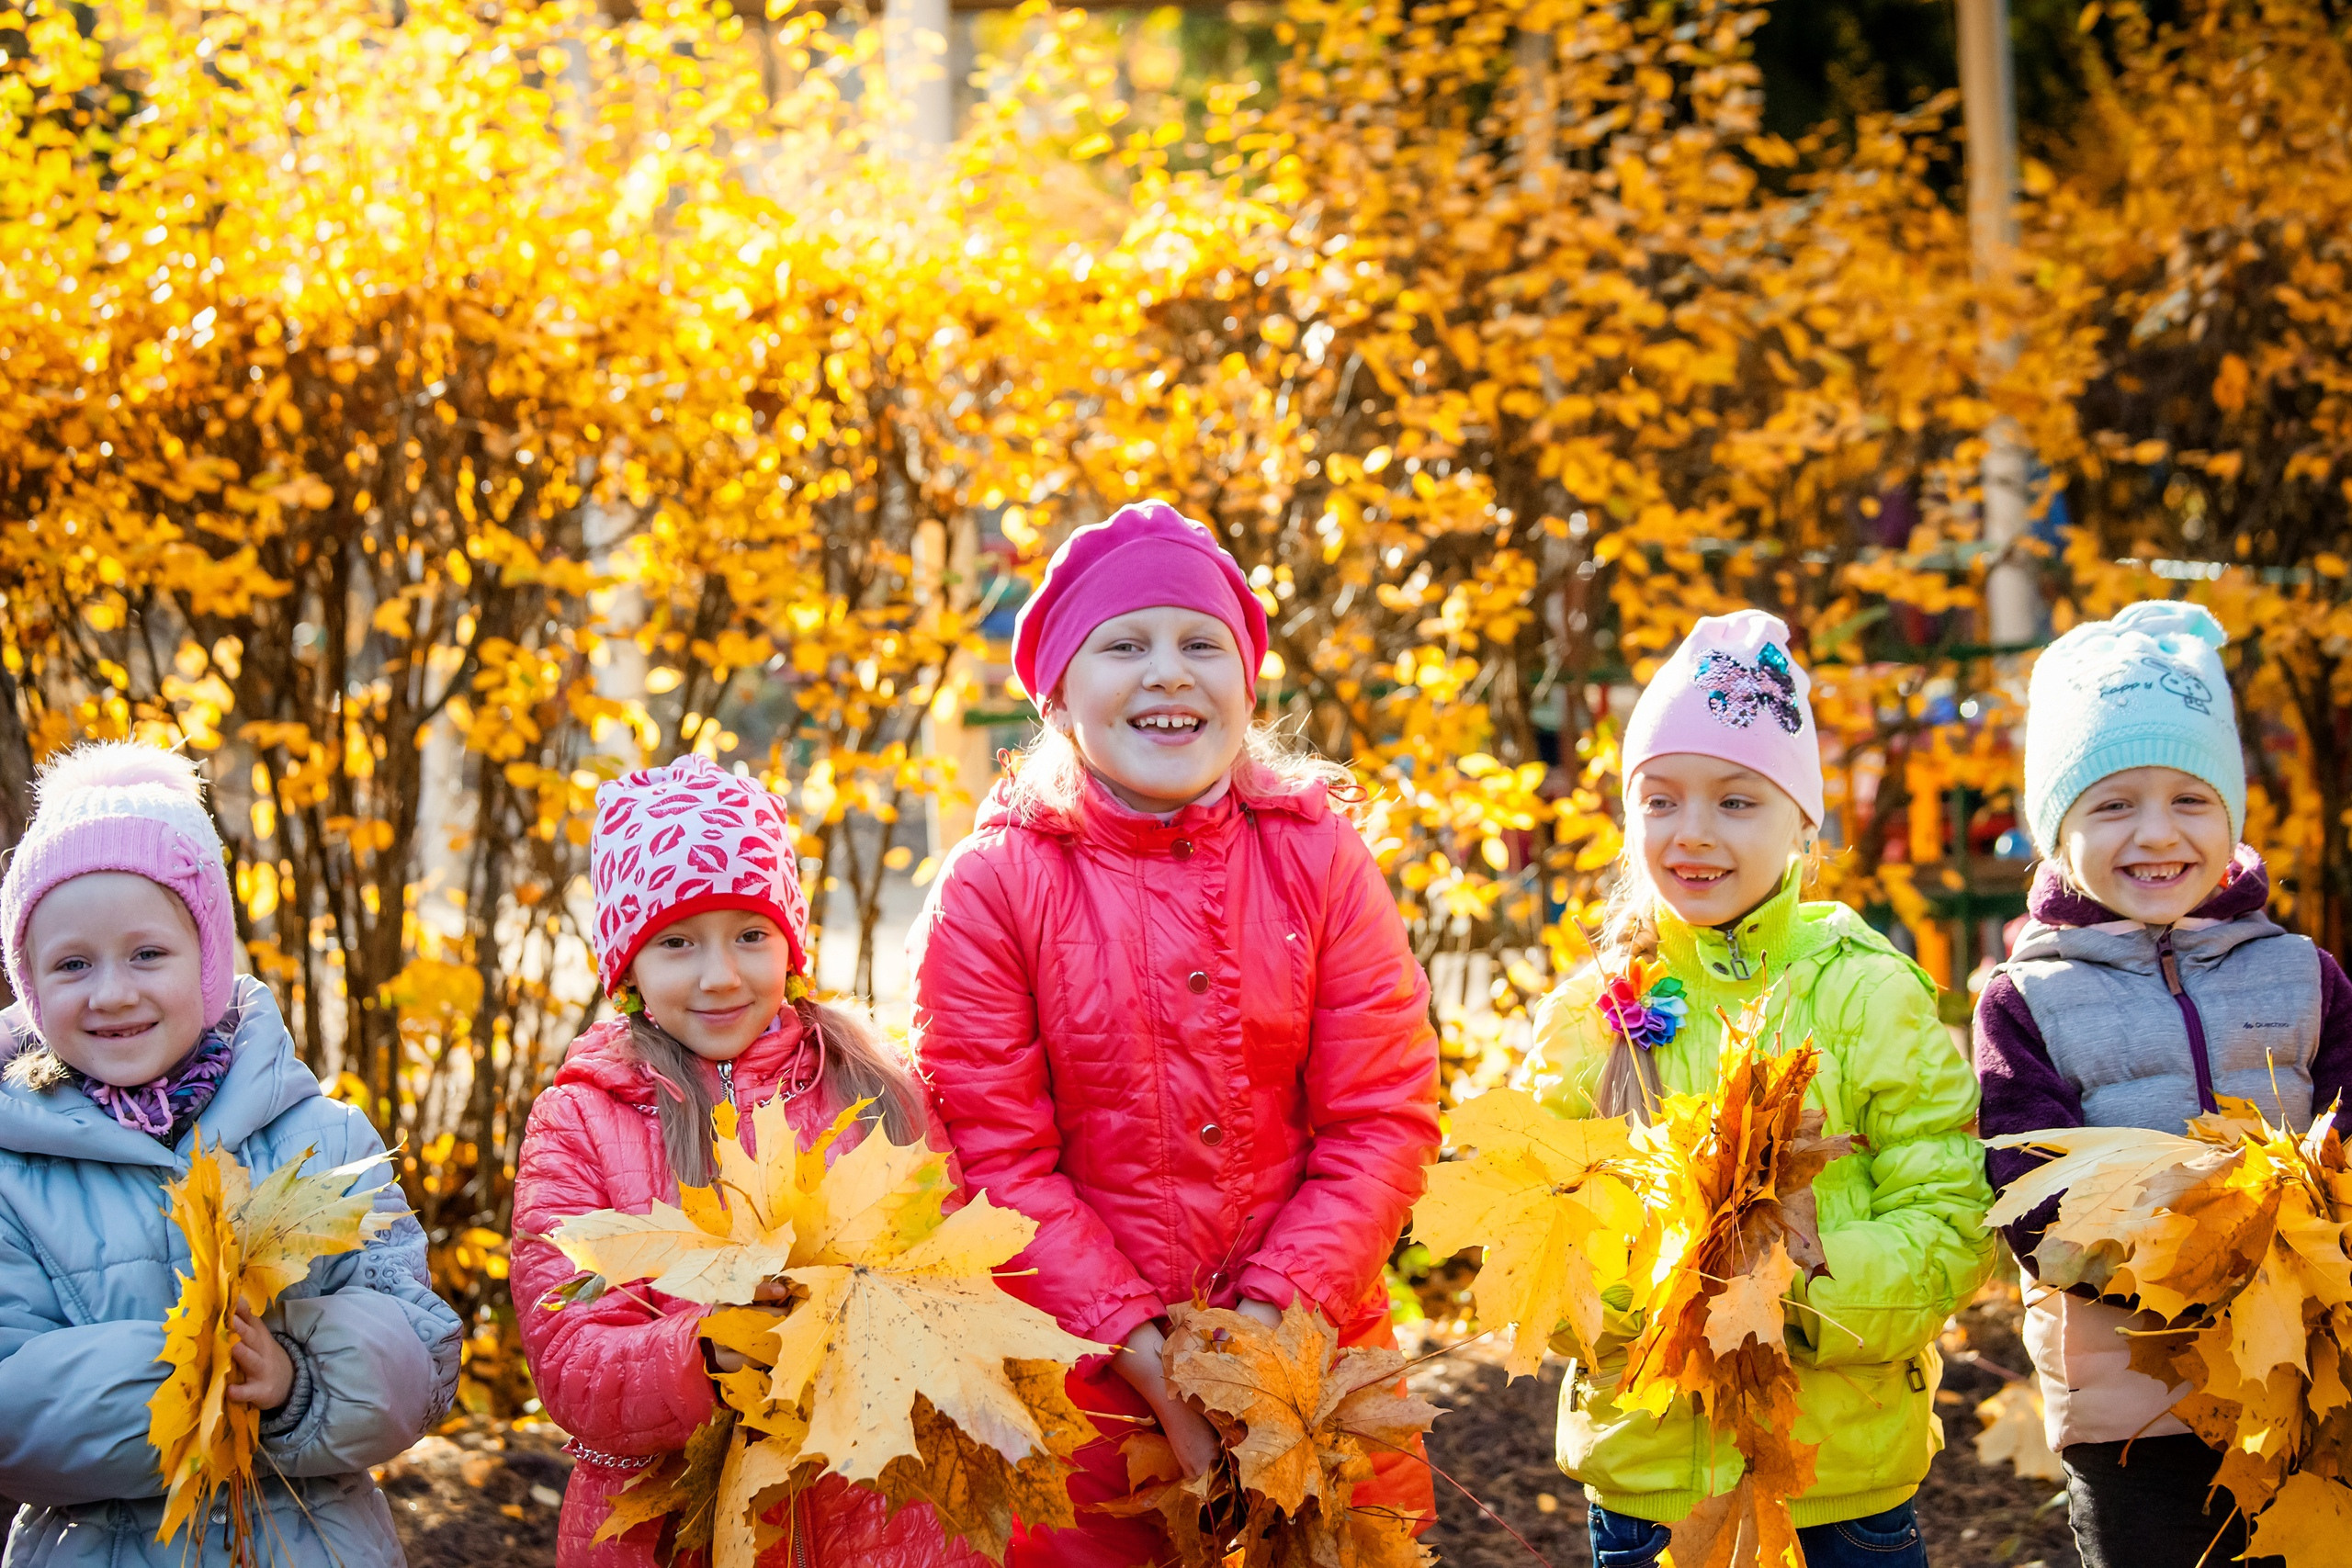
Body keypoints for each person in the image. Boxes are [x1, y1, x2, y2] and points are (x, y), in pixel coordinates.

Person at [909, 500, 1442, 1565]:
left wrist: (1267, 1339)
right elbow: (990, 1153)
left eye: (1202, 643)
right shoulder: (998, 887)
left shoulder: (1318, 858)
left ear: (1247, 684)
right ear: (1059, 694)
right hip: (1085, 1386)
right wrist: (1149, 1354)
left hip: (1311, 1363)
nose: (1167, 672)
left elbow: (1381, 1116)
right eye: (1124, 645)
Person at [1522, 609, 1995, 1568]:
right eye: (1659, 801)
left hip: (1834, 1487)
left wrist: (1784, 1296)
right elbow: (1541, 1227)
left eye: (1735, 802)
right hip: (1647, 1487)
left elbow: (1950, 1220)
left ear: (1800, 820)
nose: (1691, 834)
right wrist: (1660, 1301)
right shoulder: (1590, 1013)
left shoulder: (1866, 993)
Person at [509, 752, 983, 1568]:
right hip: (674, 1533)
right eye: (678, 943)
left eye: (751, 935)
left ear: (790, 943)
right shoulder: (581, 1121)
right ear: (626, 969)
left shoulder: (873, 1087)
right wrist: (704, 1352)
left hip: (878, 1522)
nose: (720, 975)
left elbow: (955, 1274)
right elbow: (571, 1355)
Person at [0, 742, 460, 1566]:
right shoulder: (13, 1171)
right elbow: (13, 1411)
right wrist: (192, 1364)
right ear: (30, 985)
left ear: (209, 961)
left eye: (148, 953)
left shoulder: (324, 1136)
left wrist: (295, 1379)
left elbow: (420, 1356)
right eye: (72, 964)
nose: (112, 992)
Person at [1975, 599, 2352, 1568]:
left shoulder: (2303, 975)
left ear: (2230, 816)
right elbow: (2025, 1184)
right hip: (2132, 1407)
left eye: (2191, 800)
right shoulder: (2025, 999)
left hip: (2304, 1388)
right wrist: (2179, 1269)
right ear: (2056, 830)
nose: (2156, 833)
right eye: (2110, 804)